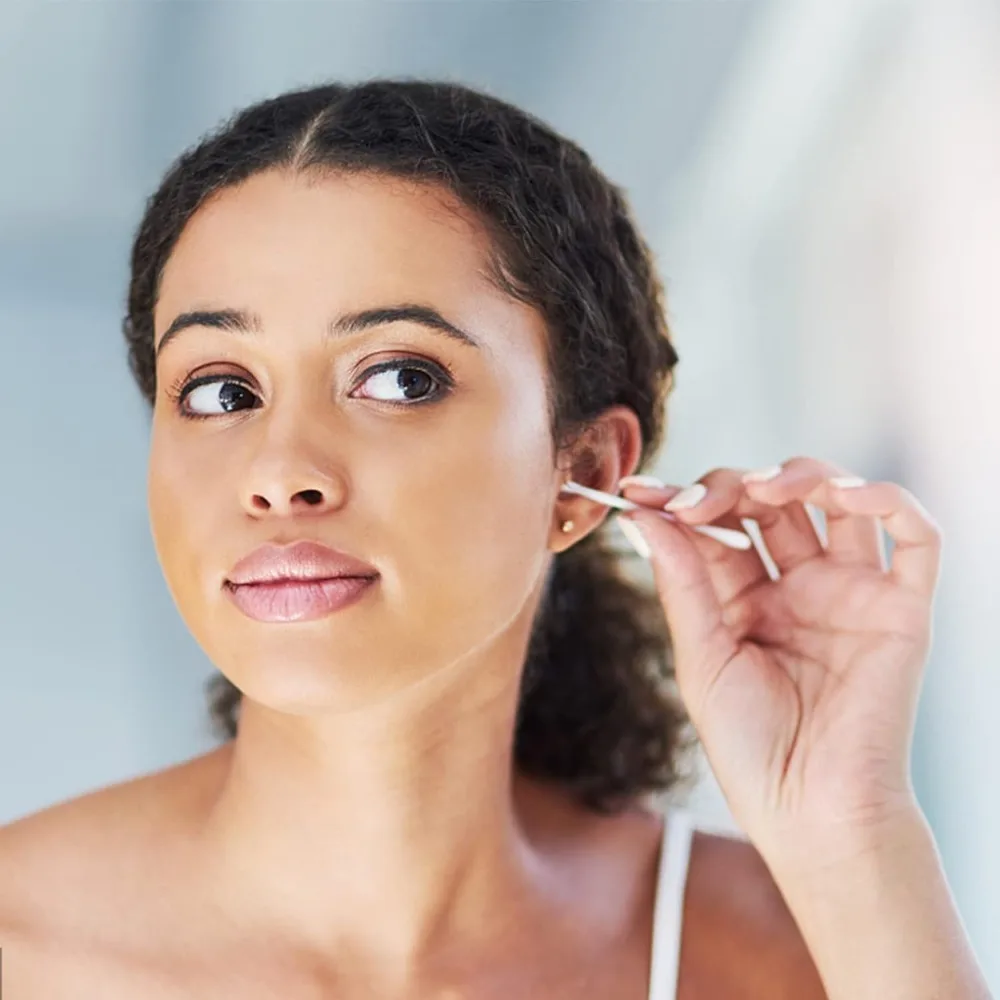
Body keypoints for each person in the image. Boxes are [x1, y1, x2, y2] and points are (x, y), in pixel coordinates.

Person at [0, 79, 990, 1000]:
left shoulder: (799, 946)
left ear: (585, 473)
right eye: (222, 391)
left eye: (398, 378)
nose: (279, 469)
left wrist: (850, 832)